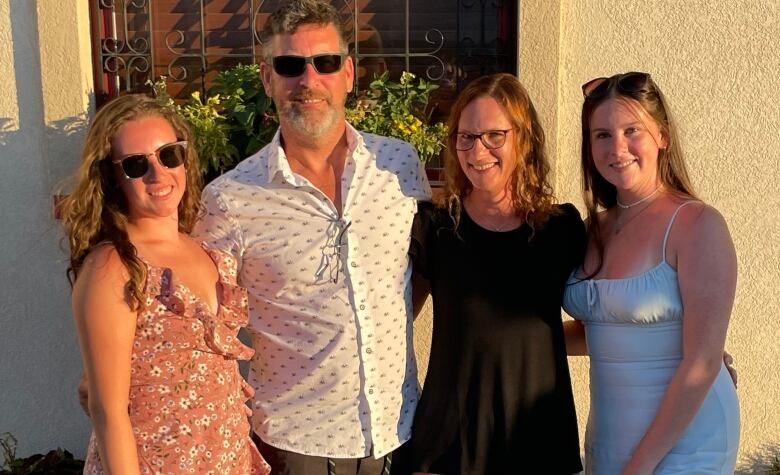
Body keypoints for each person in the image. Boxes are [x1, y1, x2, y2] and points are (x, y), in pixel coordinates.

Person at [191, 0, 430, 473]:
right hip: (296, 443)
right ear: (267, 79)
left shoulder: (400, 166)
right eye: (289, 66)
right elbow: (199, 318)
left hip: (400, 432)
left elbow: (418, 270)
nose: (308, 81)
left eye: (325, 62)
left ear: (348, 73)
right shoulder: (231, 198)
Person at [60, 94, 270, 474]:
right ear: (112, 177)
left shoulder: (205, 252)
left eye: (169, 155)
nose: (158, 174)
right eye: (137, 164)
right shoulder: (115, 266)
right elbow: (108, 411)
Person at [562, 71, 740, 474]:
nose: (617, 147)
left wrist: (639, 467)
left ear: (662, 135)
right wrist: (509, 345)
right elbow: (601, 332)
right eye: (602, 135)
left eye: (632, 130)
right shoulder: (592, 229)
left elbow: (702, 360)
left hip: (688, 442)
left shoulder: (697, 224)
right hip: (609, 438)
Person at [408, 73, 586, 474]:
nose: (477, 150)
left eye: (493, 135)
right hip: (449, 445)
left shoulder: (561, 229)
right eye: (465, 136)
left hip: (538, 439)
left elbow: (608, 321)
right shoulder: (436, 228)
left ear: (523, 138)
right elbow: (396, 323)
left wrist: (690, 347)